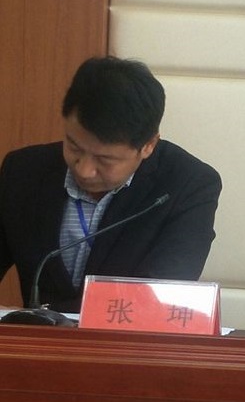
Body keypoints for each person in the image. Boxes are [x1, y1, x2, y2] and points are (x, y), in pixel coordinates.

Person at [0, 56, 222, 313]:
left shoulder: (188, 185)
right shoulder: (23, 171)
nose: (84, 169)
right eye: (74, 146)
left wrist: (50, 320)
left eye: (105, 159)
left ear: (148, 145)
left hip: (125, 337)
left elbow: (161, 297)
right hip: (34, 338)